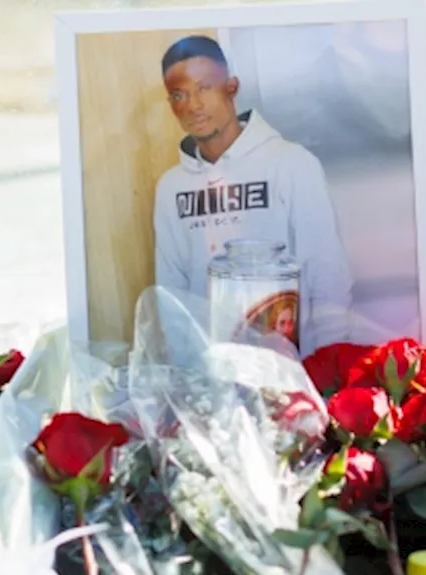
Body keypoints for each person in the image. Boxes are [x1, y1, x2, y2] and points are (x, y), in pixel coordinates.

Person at [152, 34, 354, 354]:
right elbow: (172, 297)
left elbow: (327, 274)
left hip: (293, 376)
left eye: (204, 88)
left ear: (231, 87)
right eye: (179, 95)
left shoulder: (291, 163)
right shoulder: (170, 188)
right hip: (210, 382)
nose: (193, 105)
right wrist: (186, 378)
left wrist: (327, 367)